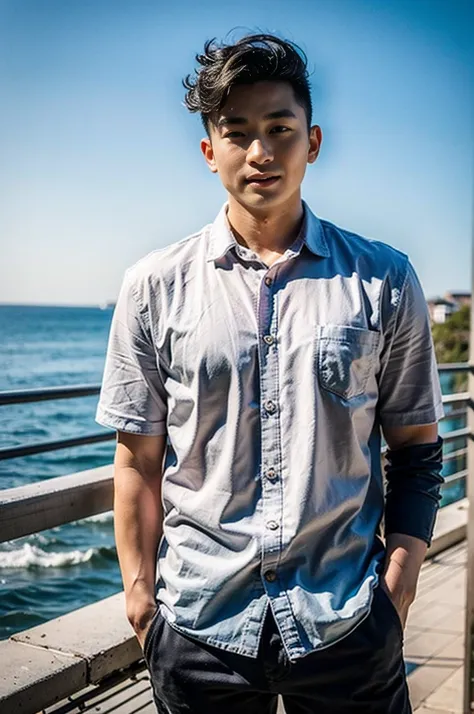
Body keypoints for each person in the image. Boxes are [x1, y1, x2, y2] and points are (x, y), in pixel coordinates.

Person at [96, 32, 444, 714]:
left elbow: (418, 451)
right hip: (199, 628)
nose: (261, 151)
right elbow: (137, 458)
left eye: (280, 128)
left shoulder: (383, 280)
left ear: (312, 141)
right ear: (210, 151)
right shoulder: (153, 286)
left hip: (347, 624)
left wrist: (395, 594)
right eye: (239, 132)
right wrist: (142, 603)